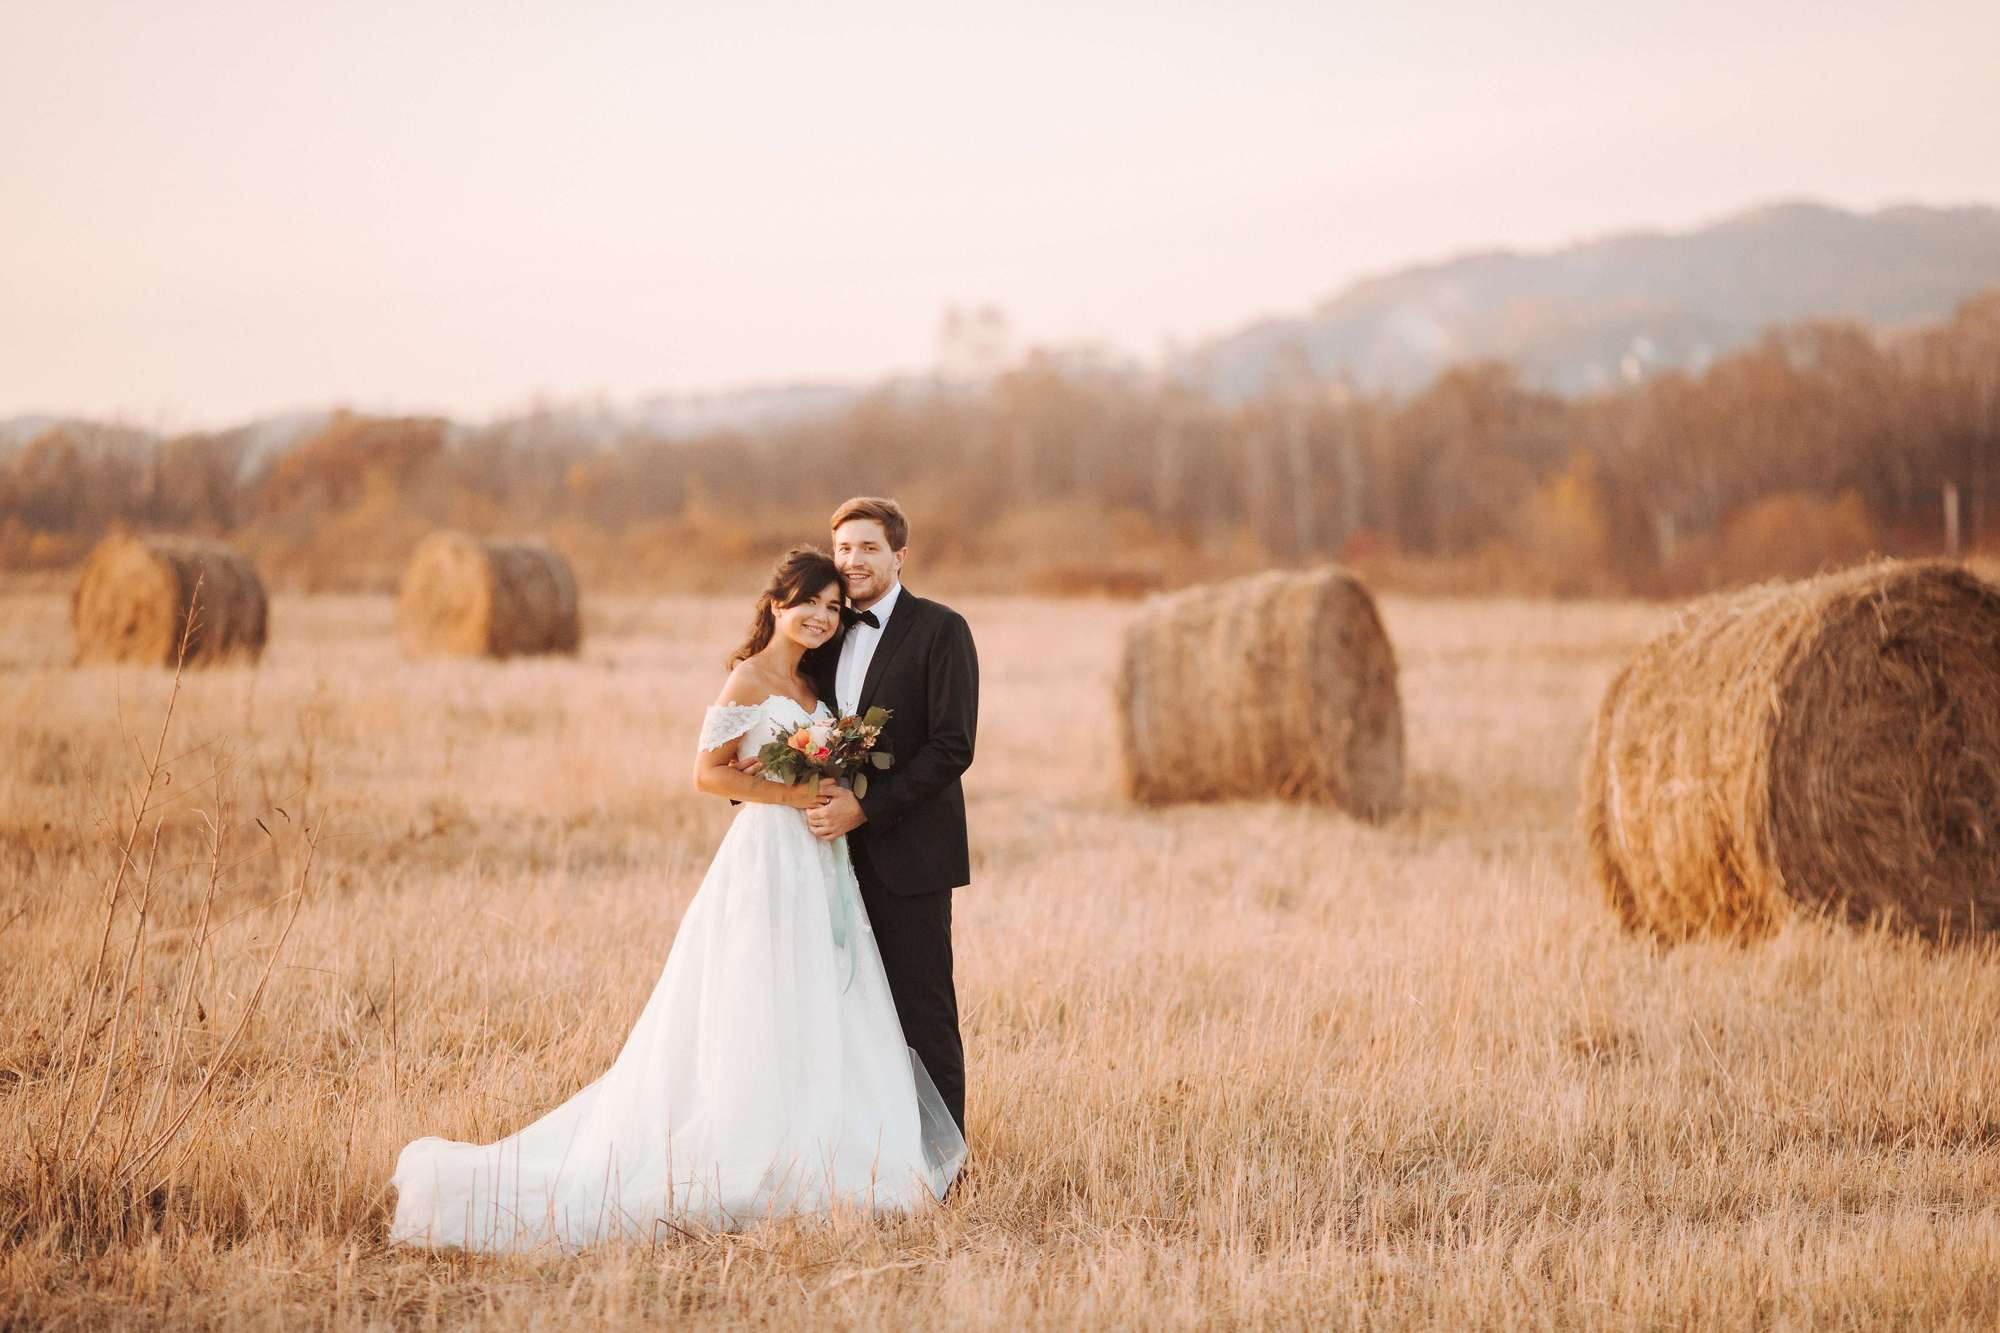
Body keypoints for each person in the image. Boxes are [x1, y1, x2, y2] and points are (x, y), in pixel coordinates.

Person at [387, 547, 964, 1252]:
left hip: (819, 858)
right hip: (767, 857)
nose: (821, 615)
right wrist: (794, 791)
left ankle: (820, 1130)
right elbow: (704, 772)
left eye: (833, 607)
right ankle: (748, 1138)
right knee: (757, 993)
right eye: (809, 601)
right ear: (778, 603)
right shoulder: (747, 679)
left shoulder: (815, 683)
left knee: (820, 992)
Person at [801, 497, 978, 1138]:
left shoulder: (941, 629)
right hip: (826, 857)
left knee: (921, 1012)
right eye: (844, 548)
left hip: (910, 858)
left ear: (899, 556)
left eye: (869, 547)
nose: (853, 561)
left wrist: (867, 809)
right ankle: (868, 1153)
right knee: (845, 1012)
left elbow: (953, 747)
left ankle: (944, 1161)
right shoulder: (820, 632)